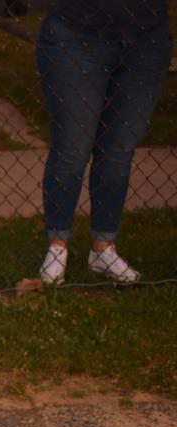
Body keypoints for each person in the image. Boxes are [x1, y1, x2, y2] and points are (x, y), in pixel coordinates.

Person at [36, 0, 171, 284]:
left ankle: (103, 247)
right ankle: (58, 246)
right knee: (72, 149)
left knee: (119, 152)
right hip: (78, 33)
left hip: (147, 39)